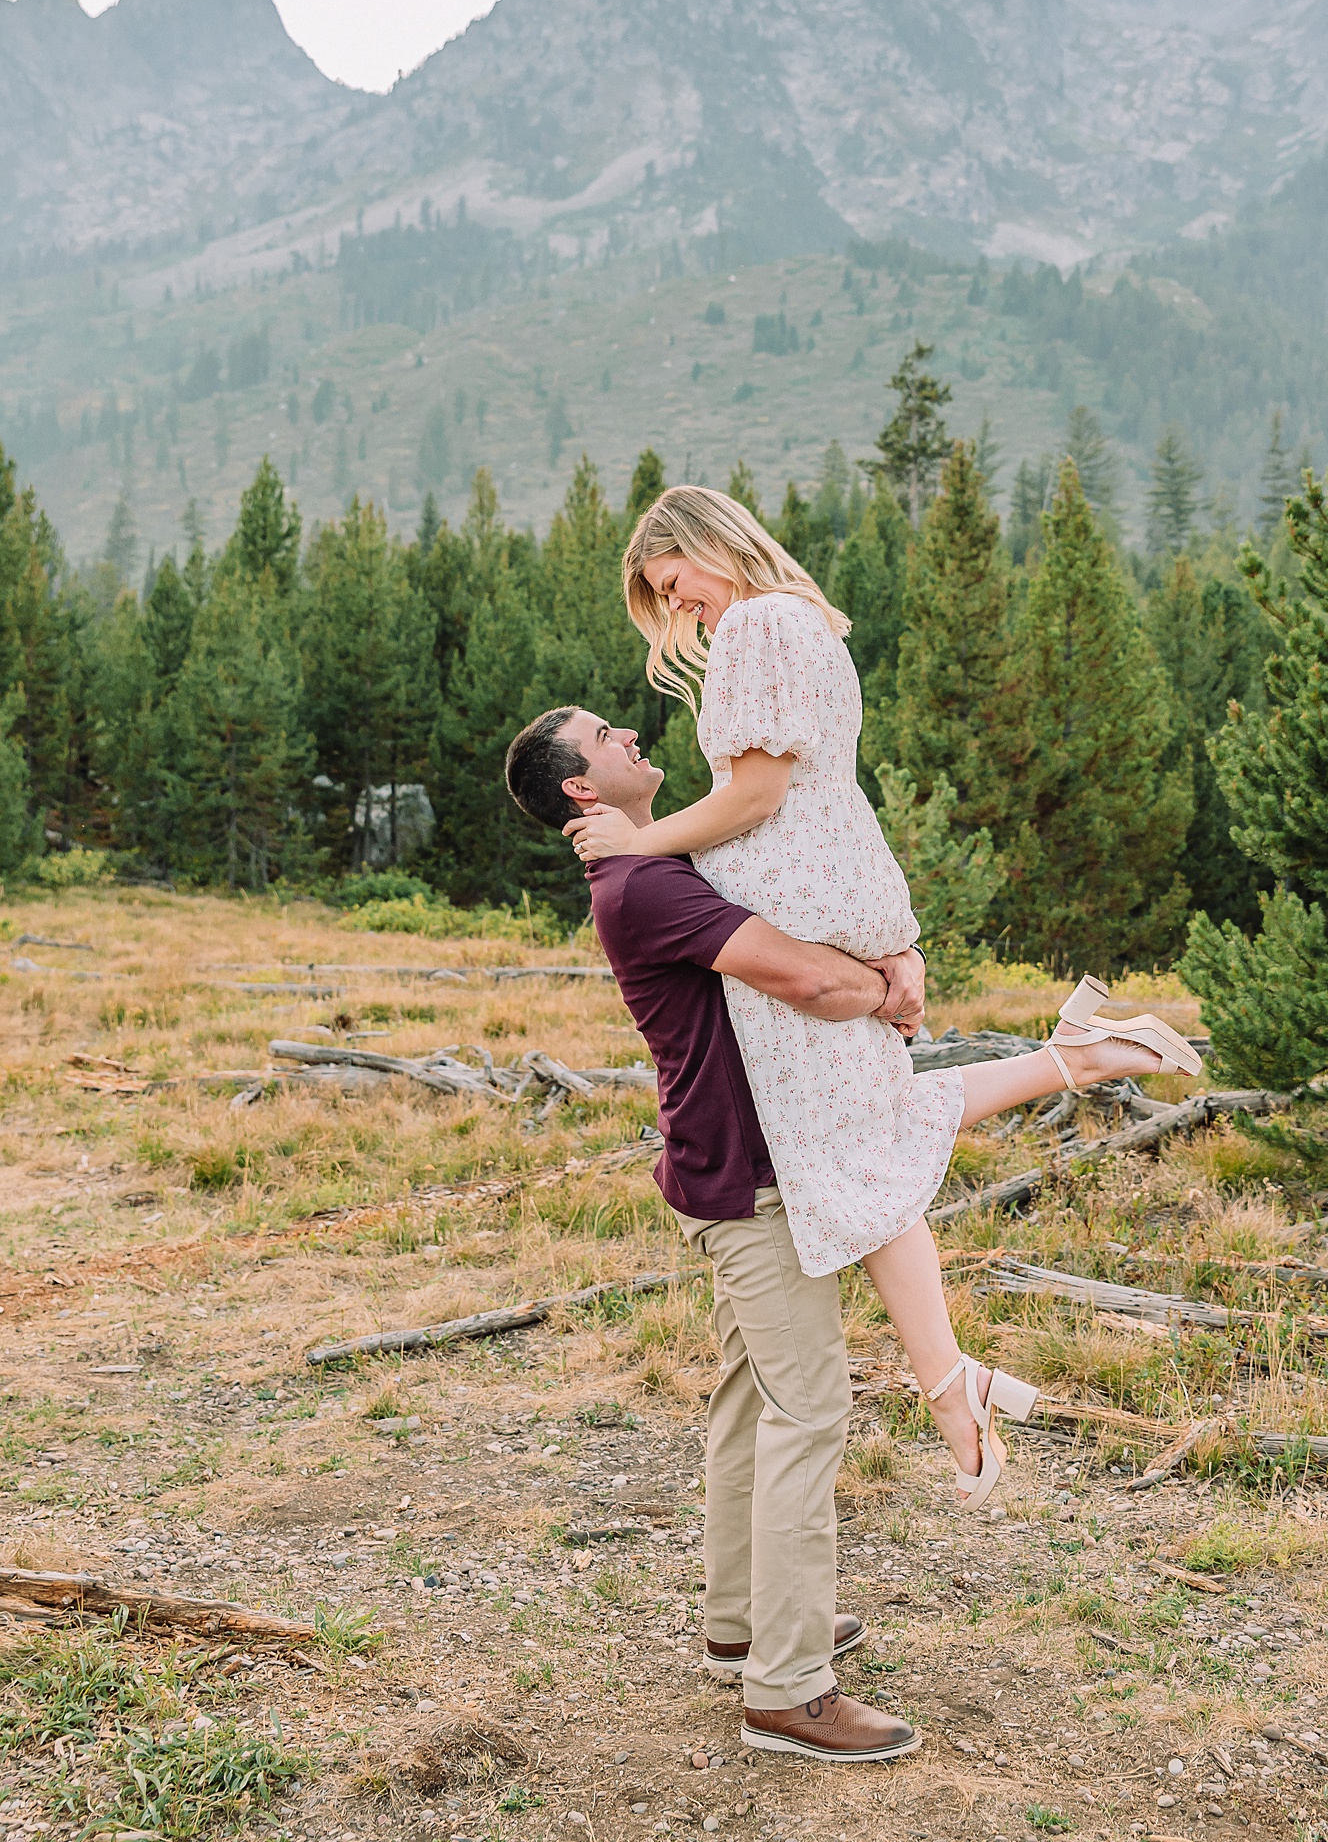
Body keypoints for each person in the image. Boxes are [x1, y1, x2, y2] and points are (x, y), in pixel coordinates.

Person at [565, 485, 1204, 1510]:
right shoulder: (804, 622)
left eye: (674, 584)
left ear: (705, 548)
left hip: (795, 904)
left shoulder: (757, 625)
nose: (681, 612)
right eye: (665, 601)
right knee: (874, 1128)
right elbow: (820, 793)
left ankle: (951, 1385)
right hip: (837, 885)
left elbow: (758, 797)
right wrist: (889, 932)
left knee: (852, 1153)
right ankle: (1076, 1062)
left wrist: (640, 839)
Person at [505, 704, 924, 1764]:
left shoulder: (652, 861)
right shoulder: (645, 882)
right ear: (579, 792)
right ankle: (787, 1690)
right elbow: (804, 977)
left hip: (716, 1167)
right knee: (807, 1411)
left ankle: (742, 1624)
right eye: (608, 738)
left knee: (753, 1400)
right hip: (746, 1182)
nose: (634, 738)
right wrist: (890, 987)